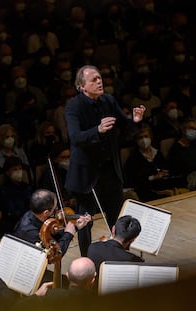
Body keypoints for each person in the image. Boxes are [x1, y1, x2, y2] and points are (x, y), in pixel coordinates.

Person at [64, 65, 145, 256]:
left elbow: (126, 129)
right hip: (87, 174)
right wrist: (97, 130)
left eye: (100, 78)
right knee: (86, 222)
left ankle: (121, 254)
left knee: (116, 218)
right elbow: (75, 137)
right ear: (82, 86)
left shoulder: (108, 100)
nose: (99, 82)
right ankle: (86, 259)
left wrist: (135, 121)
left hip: (109, 171)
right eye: (93, 80)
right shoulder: (74, 106)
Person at [13, 189, 91, 256]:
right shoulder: (31, 233)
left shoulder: (31, 214)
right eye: (55, 208)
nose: (57, 211)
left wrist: (75, 227)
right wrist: (69, 234)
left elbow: (52, 236)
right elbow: (56, 253)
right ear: (46, 213)